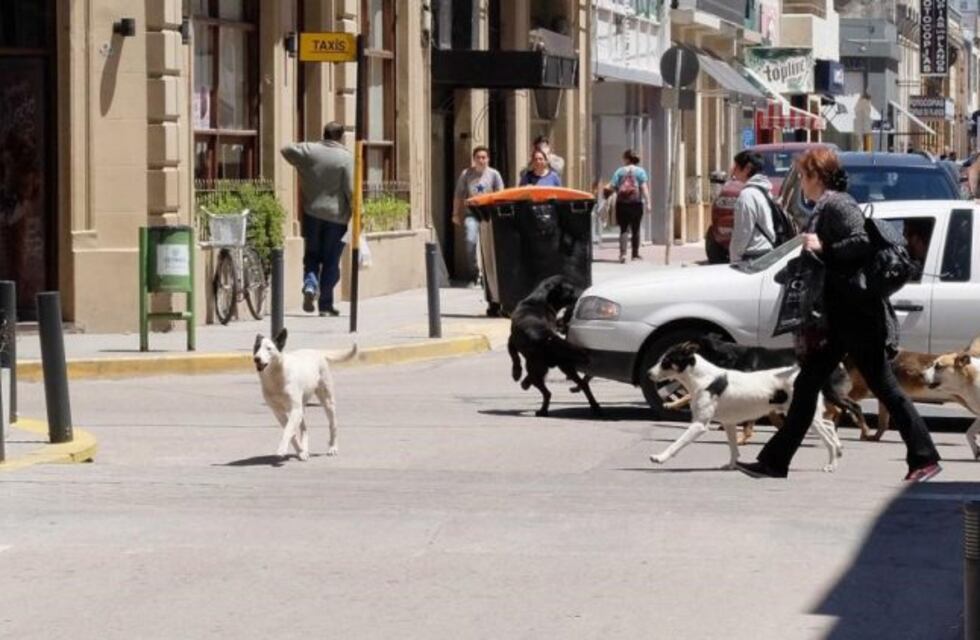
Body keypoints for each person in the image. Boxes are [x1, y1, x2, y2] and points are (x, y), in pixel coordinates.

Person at [736, 148, 942, 482]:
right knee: (806, 387)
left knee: (884, 387)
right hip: (838, 318)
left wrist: (823, 248)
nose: (801, 183)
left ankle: (924, 457)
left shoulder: (838, 203)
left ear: (817, 176)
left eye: (803, 176)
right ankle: (775, 461)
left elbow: (859, 242)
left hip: (857, 316)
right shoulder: (826, 205)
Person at [281, 121, 353, 317]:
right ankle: (326, 305)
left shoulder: (310, 151)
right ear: (341, 136)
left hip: (311, 213)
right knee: (331, 261)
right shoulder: (346, 157)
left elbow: (285, 149)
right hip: (336, 218)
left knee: (312, 256)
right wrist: (357, 215)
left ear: (324, 133)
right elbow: (351, 190)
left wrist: (302, 164)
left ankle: (310, 285)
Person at [451, 146, 504, 286]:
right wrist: (455, 213)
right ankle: (474, 275)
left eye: (484, 157)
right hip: (472, 214)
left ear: (488, 159)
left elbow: (501, 196)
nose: (481, 160)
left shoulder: (494, 175)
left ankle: (490, 277)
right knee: (470, 241)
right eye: (478, 158)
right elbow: (458, 195)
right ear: (474, 159)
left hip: (489, 215)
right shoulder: (466, 174)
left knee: (491, 247)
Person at [728, 150, 776, 263]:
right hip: (766, 251)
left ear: (747, 168)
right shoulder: (764, 190)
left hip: (752, 256)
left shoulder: (747, 195)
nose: (733, 172)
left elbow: (743, 231)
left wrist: (734, 259)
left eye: (736, 167)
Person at [607, 149, 650, 263]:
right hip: (636, 203)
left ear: (626, 159)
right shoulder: (640, 172)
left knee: (623, 229)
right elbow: (644, 188)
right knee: (636, 229)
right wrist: (648, 202)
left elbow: (612, 186)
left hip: (622, 204)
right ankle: (635, 255)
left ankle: (623, 254)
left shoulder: (619, 171)